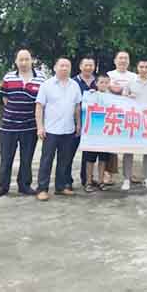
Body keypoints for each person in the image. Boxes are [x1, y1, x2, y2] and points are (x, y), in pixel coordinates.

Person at [0, 49, 45, 198]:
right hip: (9, 126)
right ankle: (3, 186)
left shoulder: (41, 78)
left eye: (26, 59)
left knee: (26, 158)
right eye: (20, 60)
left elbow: (42, 102)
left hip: (29, 126)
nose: (24, 62)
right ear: (16, 61)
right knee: (6, 158)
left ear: (32, 60)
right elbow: (5, 98)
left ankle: (24, 185)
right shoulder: (9, 77)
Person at [35, 58, 82, 201]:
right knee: (46, 161)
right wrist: (40, 127)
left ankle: (61, 187)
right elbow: (39, 106)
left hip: (68, 129)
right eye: (62, 65)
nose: (64, 68)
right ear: (55, 67)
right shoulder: (47, 85)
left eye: (67, 66)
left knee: (64, 161)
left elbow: (77, 107)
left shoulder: (74, 85)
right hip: (50, 130)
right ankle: (42, 189)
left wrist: (78, 124)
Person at [122, 59, 147, 191]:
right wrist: (128, 98)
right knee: (129, 150)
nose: (144, 69)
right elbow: (123, 99)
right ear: (137, 68)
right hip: (132, 120)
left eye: (146, 67)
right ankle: (127, 178)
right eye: (141, 67)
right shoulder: (131, 82)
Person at [106, 51, 137, 184]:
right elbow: (104, 90)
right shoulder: (109, 75)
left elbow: (136, 93)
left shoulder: (134, 76)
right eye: (120, 58)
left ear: (129, 61)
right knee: (111, 146)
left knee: (129, 146)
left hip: (129, 114)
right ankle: (109, 173)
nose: (123, 60)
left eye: (125, 58)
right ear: (115, 60)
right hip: (113, 114)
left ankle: (128, 173)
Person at [83, 74, 114, 192]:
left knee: (103, 159)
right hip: (92, 132)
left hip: (106, 133)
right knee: (90, 160)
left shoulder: (112, 98)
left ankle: (101, 181)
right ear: (96, 83)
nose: (104, 85)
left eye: (106, 82)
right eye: (101, 82)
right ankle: (88, 182)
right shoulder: (90, 95)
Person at [70, 57, 97, 190]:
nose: (88, 68)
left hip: (93, 124)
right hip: (74, 122)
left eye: (91, 65)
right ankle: (66, 181)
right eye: (86, 65)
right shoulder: (73, 82)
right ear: (80, 66)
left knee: (89, 154)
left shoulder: (98, 82)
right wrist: (77, 123)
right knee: (69, 153)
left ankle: (87, 180)